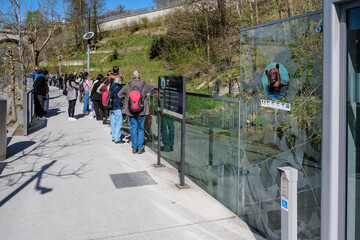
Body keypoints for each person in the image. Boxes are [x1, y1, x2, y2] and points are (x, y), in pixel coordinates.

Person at [118, 70, 157, 154]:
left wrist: (125, 101)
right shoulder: (144, 85)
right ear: (140, 76)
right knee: (141, 128)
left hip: (130, 110)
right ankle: (140, 147)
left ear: (132, 76)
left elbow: (119, 94)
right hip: (142, 110)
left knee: (133, 128)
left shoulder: (128, 85)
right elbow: (155, 86)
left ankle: (134, 147)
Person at [109, 77, 124, 143]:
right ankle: (117, 138)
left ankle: (113, 137)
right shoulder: (119, 88)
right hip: (117, 107)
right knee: (119, 122)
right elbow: (120, 98)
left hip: (111, 106)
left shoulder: (111, 87)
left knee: (113, 122)